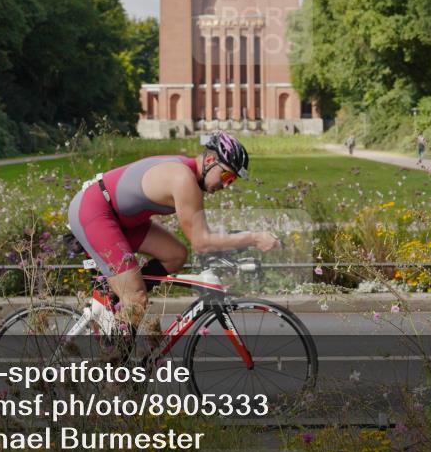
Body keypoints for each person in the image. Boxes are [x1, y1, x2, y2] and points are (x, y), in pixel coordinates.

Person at [67, 130, 280, 330]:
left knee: (175, 255)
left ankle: (117, 300)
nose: (226, 185)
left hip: (123, 219)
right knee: (136, 298)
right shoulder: (184, 180)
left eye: (231, 181)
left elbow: (202, 234)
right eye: (226, 176)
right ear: (209, 160)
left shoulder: (191, 178)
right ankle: (113, 359)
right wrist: (253, 238)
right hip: (95, 212)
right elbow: (202, 242)